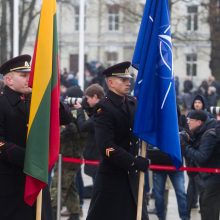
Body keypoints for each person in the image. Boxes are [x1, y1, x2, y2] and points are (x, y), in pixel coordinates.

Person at [0, 55, 72, 220]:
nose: (29, 79)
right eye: (24, 76)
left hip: (36, 176)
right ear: (9, 80)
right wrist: (29, 158)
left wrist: (49, 97)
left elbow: (66, 118)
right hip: (11, 178)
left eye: (29, 75)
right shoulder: (2, 104)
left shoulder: (36, 100)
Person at [86, 61, 149, 220]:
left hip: (132, 178)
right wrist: (134, 161)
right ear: (110, 82)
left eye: (129, 79)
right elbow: (106, 147)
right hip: (112, 179)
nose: (128, 83)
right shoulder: (104, 108)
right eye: (123, 80)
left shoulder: (132, 103)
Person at [51, 85, 86, 220]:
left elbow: (77, 133)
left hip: (70, 157)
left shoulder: (81, 114)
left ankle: (53, 212)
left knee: (58, 186)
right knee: (70, 186)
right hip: (65, 156)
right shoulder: (72, 113)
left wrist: (71, 120)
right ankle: (75, 213)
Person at [182, 110, 220, 220]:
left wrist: (184, 146)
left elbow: (201, 157)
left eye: (190, 120)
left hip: (212, 180)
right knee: (206, 209)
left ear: (199, 122)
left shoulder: (209, 134)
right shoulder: (204, 131)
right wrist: (189, 141)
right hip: (208, 178)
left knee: (208, 212)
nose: (188, 122)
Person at [74, 83, 105, 183]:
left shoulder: (101, 112)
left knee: (98, 189)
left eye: (88, 98)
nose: (86, 101)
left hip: (96, 157)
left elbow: (83, 126)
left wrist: (79, 111)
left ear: (95, 97)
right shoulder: (101, 109)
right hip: (97, 156)